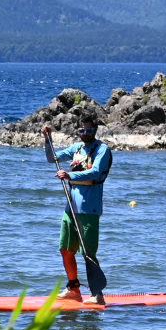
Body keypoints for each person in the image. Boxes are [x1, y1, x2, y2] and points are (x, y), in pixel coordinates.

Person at [42, 117, 112, 305]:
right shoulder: (77, 149)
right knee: (65, 249)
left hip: (89, 208)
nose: (85, 134)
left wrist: (70, 175)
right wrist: (47, 139)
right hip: (70, 208)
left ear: (95, 130)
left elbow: (96, 172)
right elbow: (52, 158)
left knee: (88, 252)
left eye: (88, 130)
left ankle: (98, 294)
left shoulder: (102, 150)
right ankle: (73, 288)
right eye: (82, 131)